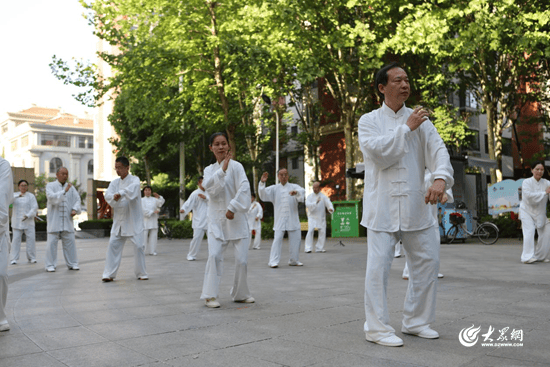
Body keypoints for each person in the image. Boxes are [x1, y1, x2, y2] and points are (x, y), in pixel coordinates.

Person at [358, 62, 454, 347]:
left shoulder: (421, 120)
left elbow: (438, 152)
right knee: (377, 270)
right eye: (398, 80)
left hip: (417, 204)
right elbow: (378, 154)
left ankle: (416, 321)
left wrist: (439, 179)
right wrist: (406, 130)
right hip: (381, 208)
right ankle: (376, 328)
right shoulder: (368, 121)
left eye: (407, 79)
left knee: (427, 263)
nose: (404, 85)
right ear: (382, 88)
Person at [200, 132, 254, 308]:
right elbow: (211, 190)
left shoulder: (237, 167)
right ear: (211, 148)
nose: (221, 147)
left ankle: (241, 293)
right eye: (217, 144)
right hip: (216, 220)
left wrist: (233, 207)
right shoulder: (209, 170)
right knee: (214, 255)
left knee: (242, 260)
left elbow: (244, 188)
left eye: (224, 143)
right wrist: (222, 170)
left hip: (236, 219)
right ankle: (210, 295)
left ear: (229, 146)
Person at [102, 156, 148, 282]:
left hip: (133, 221)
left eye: (120, 168)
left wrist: (120, 194)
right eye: (116, 168)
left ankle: (141, 273)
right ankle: (108, 274)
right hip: (119, 222)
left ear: (127, 167)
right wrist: (114, 197)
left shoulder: (135, 180)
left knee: (139, 246)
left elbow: (132, 191)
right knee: (112, 245)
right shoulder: (114, 183)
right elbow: (108, 195)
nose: (118, 170)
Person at [402, 170, 452, 280]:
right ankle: (408, 271)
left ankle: (432, 270)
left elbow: (442, 181)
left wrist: (444, 193)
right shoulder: (413, 170)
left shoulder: (435, 171)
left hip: (430, 215)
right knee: (414, 243)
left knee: (434, 243)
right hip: (415, 213)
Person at [259, 168, 305, 268]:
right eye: (281, 175)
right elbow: (263, 195)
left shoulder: (294, 186)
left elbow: (302, 192)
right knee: (277, 239)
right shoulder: (274, 189)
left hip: (292, 219)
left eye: (285, 174)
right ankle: (273, 261)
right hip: (280, 219)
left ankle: (294, 260)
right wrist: (262, 183)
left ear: (288, 175)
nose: (283, 177)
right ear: (278, 176)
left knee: (296, 240)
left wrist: (296, 192)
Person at [45, 167, 81, 272]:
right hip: (54, 220)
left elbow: (77, 199)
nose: (65, 176)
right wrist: (64, 191)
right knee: (51, 244)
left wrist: (75, 209)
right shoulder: (50, 186)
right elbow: (52, 199)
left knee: (70, 243)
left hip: (67, 220)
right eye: (63, 174)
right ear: (57, 175)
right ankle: (50, 265)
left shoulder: (71, 187)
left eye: (66, 174)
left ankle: (73, 263)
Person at [519, 161, 550, 264]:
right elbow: (528, 196)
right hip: (526, 211)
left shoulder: (547, 182)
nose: (539, 171)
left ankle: (541, 256)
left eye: (542, 170)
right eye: (537, 169)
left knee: (547, 232)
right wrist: (544, 193)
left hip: (540, 212)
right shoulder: (526, 182)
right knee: (530, 231)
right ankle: (527, 257)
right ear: (532, 170)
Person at [180, 177, 209, 261]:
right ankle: (191, 255)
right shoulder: (195, 193)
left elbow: (215, 202)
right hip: (199, 221)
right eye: (202, 182)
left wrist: (206, 198)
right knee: (196, 239)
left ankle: (214, 255)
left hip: (210, 220)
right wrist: (184, 209)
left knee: (213, 239)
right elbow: (189, 203)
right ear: (199, 183)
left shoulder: (210, 192)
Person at [10, 180, 38, 265]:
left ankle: (32, 257)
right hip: (17, 222)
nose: (24, 187)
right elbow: (8, 202)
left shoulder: (31, 196)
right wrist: (18, 196)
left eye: (25, 185)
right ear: (18, 186)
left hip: (28, 222)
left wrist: (28, 215)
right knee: (16, 240)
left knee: (31, 240)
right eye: (22, 185)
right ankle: (14, 258)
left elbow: (34, 207)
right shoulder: (14, 195)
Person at [0, 157, 14, 332]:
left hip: (0, 230)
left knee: (1, 273)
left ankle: (0, 316)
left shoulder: (2, 165)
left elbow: (3, 196)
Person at [304, 181, 334, 253]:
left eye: (316, 188)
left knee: (322, 232)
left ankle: (319, 248)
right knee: (310, 230)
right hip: (312, 217)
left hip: (321, 217)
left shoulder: (323, 196)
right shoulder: (310, 196)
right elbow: (307, 204)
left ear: (319, 188)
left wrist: (330, 208)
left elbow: (328, 203)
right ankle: (308, 248)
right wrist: (315, 203)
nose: (315, 189)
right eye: (313, 188)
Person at [141, 186, 165, 256]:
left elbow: (161, 203)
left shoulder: (154, 199)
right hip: (145, 221)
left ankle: (153, 251)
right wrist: (152, 212)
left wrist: (159, 197)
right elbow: (142, 210)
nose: (148, 192)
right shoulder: (141, 200)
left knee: (154, 236)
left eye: (149, 190)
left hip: (154, 220)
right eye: (146, 190)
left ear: (151, 191)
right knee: (144, 237)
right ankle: (142, 251)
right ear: (144, 191)